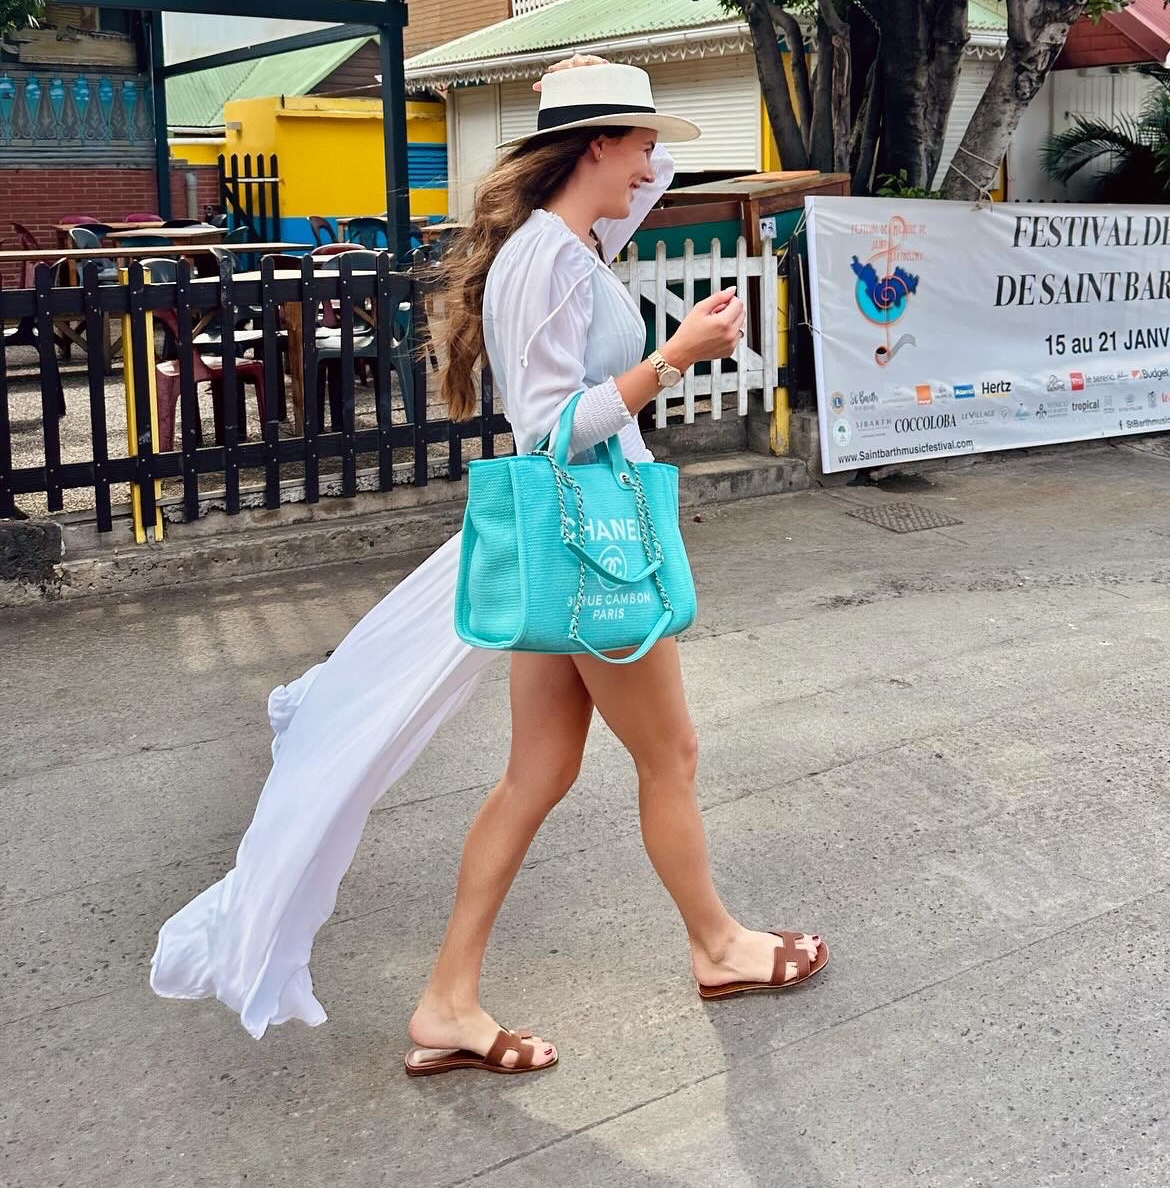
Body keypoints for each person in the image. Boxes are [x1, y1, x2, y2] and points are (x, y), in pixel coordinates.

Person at [150, 55, 828, 1077]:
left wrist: (624, 148)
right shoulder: (550, 261)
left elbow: (622, 207)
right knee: (670, 755)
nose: (655, 160)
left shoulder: (562, 245)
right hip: (590, 544)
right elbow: (557, 430)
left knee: (537, 772)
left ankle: (447, 1002)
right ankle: (720, 945)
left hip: (566, 547)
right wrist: (674, 357)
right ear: (597, 142)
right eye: (642, 140)